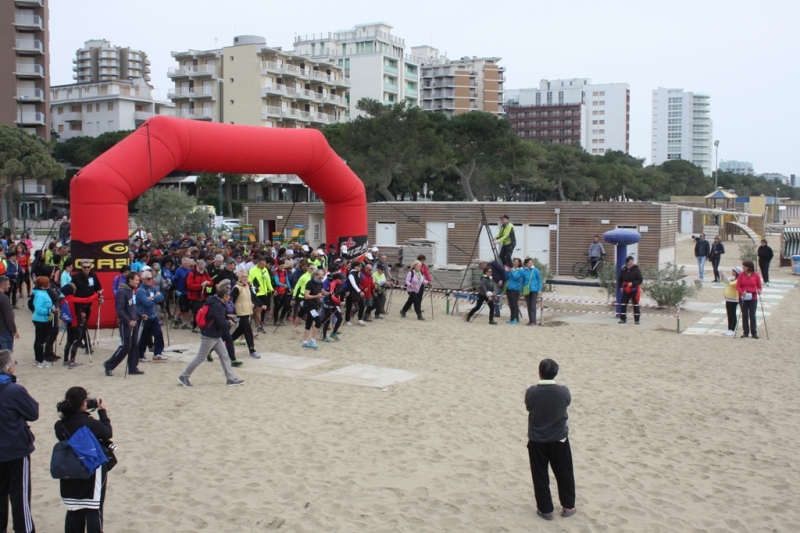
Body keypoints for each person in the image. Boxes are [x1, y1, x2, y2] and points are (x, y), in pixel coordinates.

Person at [54, 387, 112, 533]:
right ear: (83, 402)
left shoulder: (60, 425)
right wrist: (102, 411)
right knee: (93, 508)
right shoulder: (90, 423)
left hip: (70, 468)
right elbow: (107, 432)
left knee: (74, 508)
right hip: (91, 468)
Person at [525, 358, 576, 521]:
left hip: (537, 439)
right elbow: (566, 404)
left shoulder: (532, 391)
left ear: (539, 372)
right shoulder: (563, 391)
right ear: (555, 373)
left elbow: (529, 407)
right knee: (564, 472)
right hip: (559, 438)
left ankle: (545, 509)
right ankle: (568, 506)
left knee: (540, 475)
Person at [0, 350, 39, 533]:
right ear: (9, 368)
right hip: (15, 448)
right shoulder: (14, 390)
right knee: (19, 495)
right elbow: (33, 413)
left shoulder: (13, 389)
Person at [177, 285, 245, 387]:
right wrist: (229, 322)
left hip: (215, 334)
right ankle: (184, 376)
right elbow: (221, 322)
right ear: (224, 296)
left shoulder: (214, 302)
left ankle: (230, 378)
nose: (229, 298)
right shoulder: (218, 305)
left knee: (224, 355)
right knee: (200, 357)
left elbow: (214, 316)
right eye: (228, 296)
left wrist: (226, 316)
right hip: (210, 335)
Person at [103, 271, 144, 377]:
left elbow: (132, 307)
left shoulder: (132, 291)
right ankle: (109, 364)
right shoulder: (123, 292)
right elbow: (120, 309)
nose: (138, 282)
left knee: (134, 345)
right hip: (126, 323)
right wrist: (128, 321)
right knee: (126, 346)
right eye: (136, 280)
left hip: (134, 321)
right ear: (130, 280)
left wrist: (139, 315)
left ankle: (133, 367)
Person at [60, 284, 100, 368]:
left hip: (69, 323)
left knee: (69, 341)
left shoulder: (63, 300)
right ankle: (72, 361)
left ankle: (65, 360)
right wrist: (97, 294)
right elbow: (87, 300)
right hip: (77, 323)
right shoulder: (73, 299)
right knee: (75, 342)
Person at [230, 270, 262, 359]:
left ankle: (226, 341)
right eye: (243, 277)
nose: (245, 278)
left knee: (239, 331)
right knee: (248, 331)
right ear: (239, 278)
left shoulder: (247, 286)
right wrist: (233, 312)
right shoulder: (236, 287)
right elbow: (232, 301)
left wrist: (255, 304)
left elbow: (250, 297)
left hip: (247, 311)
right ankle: (252, 350)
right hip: (241, 313)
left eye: (246, 276)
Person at [136, 271, 166, 362]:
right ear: (143, 279)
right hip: (144, 317)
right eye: (148, 279)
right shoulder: (140, 291)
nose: (150, 280)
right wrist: (155, 299)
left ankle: (157, 354)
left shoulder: (153, 288)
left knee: (158, 334)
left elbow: (161, 296)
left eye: (151, 278)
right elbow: (146, 303)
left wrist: (152, 298)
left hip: (154, 316)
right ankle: (140, 355)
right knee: (143, 337)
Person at [32, 276, 55, 368]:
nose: (49, 284)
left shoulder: (43, 293)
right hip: (40, 320)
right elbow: (39, 309)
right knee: (40, 341)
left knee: (40, 340)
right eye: (47, 282)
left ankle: (39, 359)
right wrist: (50, 311)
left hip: (43, 319)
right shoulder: (40, 295)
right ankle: (39, 360)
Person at [301, 269, 327, 350]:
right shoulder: (310, 283)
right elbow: (306, 296)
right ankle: (312, 340)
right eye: (319, 277)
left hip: (315, 304)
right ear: (315, 275)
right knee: (318, 321)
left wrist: (328, 293)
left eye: (322, 277)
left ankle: (305, 341)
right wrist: (317, 296)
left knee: (309, 322)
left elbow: (322, 291)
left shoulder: (320, 283)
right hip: (308, 305)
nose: (321, 279)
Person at [737, 260, 762, 339]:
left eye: (745, 266)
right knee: (744, 315)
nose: (743, 267)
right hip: (743, 297)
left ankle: (754, 332)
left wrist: (759, 291)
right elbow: (738, 286)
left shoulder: (756, 275)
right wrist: (741, 292)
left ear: (749, 267)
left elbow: (759, 286)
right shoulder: (741, 275)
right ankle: (745, 332)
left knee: (752, 315)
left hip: (753, 297)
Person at [186, 260, 213, 334]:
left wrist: (208, 283)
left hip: (203, 295)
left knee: (204, 311)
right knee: (197, 311)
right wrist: (200, 285)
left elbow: (211, 281)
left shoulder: (205, 272)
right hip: (193, 296)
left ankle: (201, 326)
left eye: (203, 268)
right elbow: (189, 285)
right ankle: (195, 326)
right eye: (200, 268)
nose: (201, 269)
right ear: (197, 266)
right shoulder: (191, 273)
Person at [617, 255, 642, 325]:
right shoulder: (623, 269)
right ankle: (623, 319)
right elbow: (619, 279)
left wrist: (633, 283)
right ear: (627, 262)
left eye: (632, 261)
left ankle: (637, 320)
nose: (631, 262)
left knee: (635, 305)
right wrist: (620, 287)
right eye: (629, 261)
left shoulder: (636, 269)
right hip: (626, 289)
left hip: (634, 289)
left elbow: (640, 279)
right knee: (623, 304)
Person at [721, 267, 741, 337]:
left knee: (733, 314)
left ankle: (732, 329)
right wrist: (722, 276)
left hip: (734, 298)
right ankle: (729, 328)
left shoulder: (738, 279)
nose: (732, 272)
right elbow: (724, 281)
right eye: (732, 271)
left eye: (734, 271)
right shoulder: (732, 278)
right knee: (729, 314)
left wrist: (725, 276)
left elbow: (730, 284)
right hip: (728, 298)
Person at [522, 258, 543, 327]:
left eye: (531, 262)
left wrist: (539, 289)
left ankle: (533, 321)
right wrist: (522, 290)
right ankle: (530, 320)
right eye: (529, 263)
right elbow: (522, 281)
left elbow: (539, 280)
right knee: (528, 305)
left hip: (534, 290)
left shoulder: (535, 270)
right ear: (526, 264)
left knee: (533, 305)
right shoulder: (524, 271)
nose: (530, 264)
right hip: (527, 290)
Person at [0, 276, 19, 351]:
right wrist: (14, 330)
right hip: (4, 331)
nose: (9, 286)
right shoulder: (4, 298)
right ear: (2, 285)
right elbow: (9, 317)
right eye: (8, 284)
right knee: (6, 358)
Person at [504, 258, 525, 325]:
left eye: (516, 261)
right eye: (514, 261)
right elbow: (508, 277)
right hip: (509, 288)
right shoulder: (513, 269)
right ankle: (512, 318)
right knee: (510, 304)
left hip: (515, 289)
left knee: (515, 304)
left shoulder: (521, 270)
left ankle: (516, 319)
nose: (514, 262)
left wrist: (510, 271)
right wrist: (507, 271)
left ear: (519, 263)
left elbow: (516, 277)